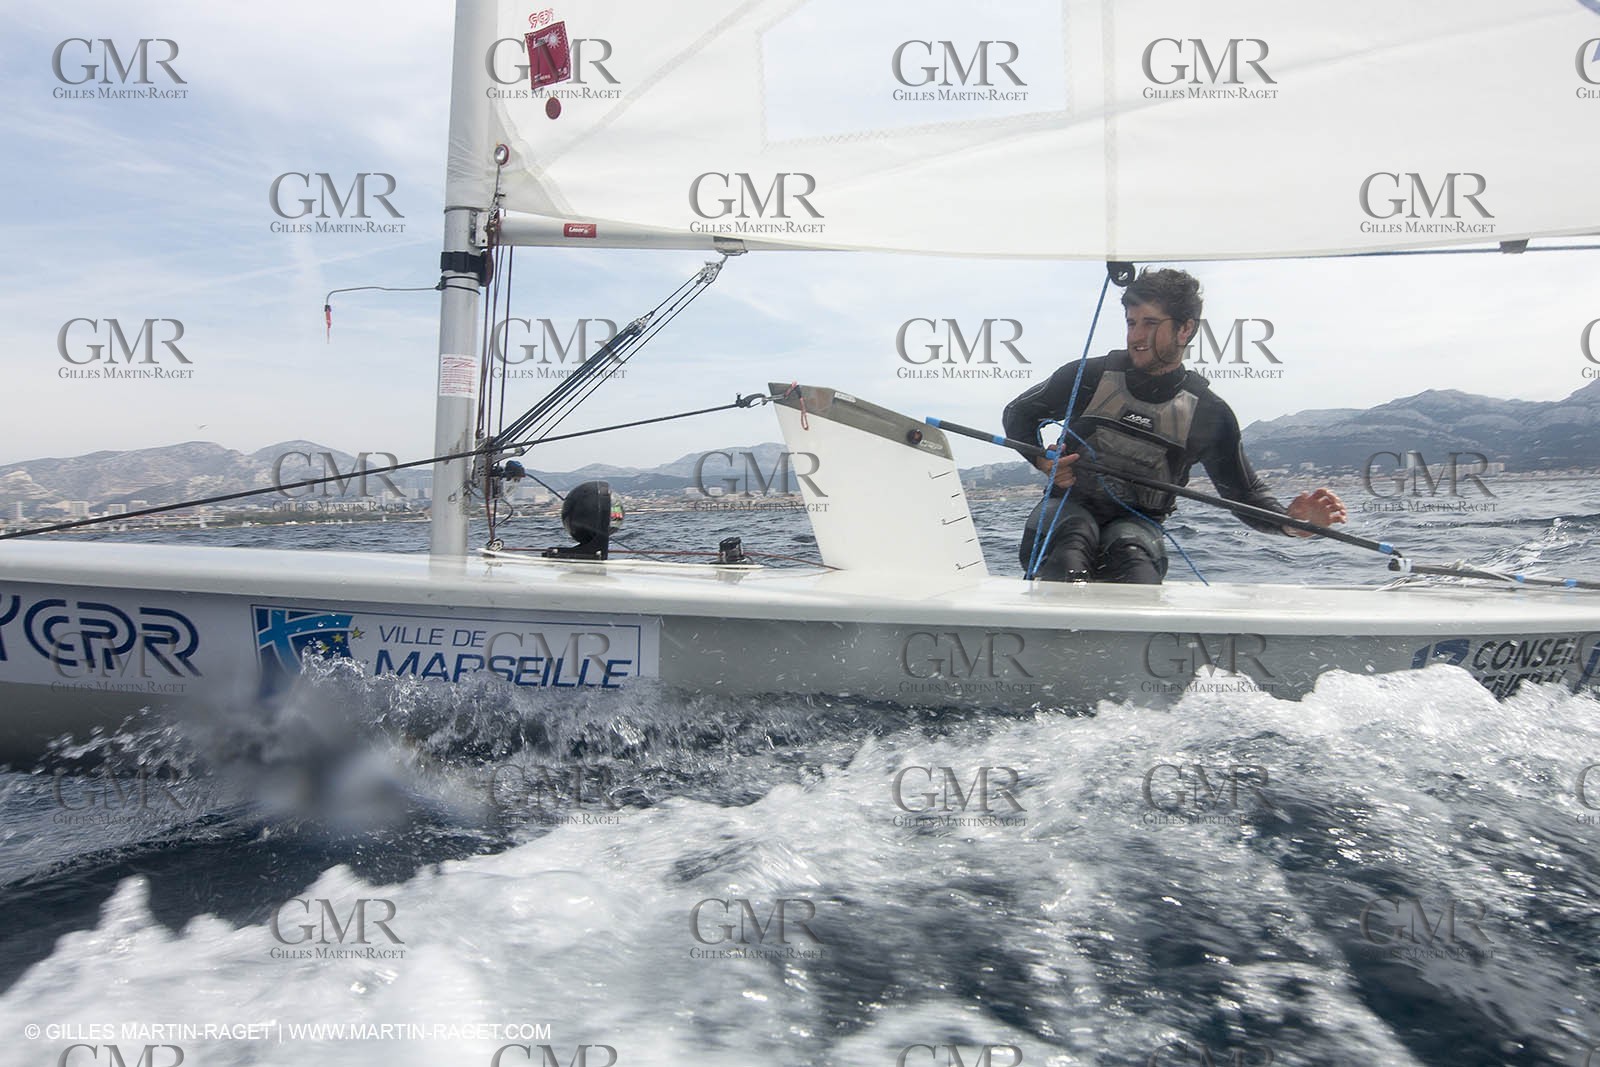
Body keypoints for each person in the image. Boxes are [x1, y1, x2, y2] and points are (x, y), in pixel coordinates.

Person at [1002, 268, 1347, 584]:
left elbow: (1245, 494)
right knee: (1070, 551)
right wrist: (1044, 462)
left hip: (1138, 526)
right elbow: (1019, 413)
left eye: (1150, 323)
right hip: (1066, 510)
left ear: (1185, 328)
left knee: (1133, 563)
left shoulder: (1208, 412)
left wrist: (1293, 523)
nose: (1136, 335)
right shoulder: (1089, 376)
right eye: (1131, 322)